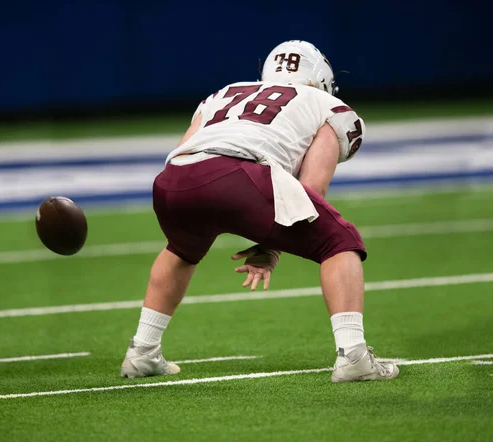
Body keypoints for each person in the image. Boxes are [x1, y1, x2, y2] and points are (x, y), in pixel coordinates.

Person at [120, 40, 399, 382]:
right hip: (238, 176)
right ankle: (353, 356)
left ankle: (142, 352)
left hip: (172, 181)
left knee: (181, 249)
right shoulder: (327, 104)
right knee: (340, 242)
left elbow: (186, 150)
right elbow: (312, 192)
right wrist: (271, 244)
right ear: (322, 78)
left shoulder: (224, 93)